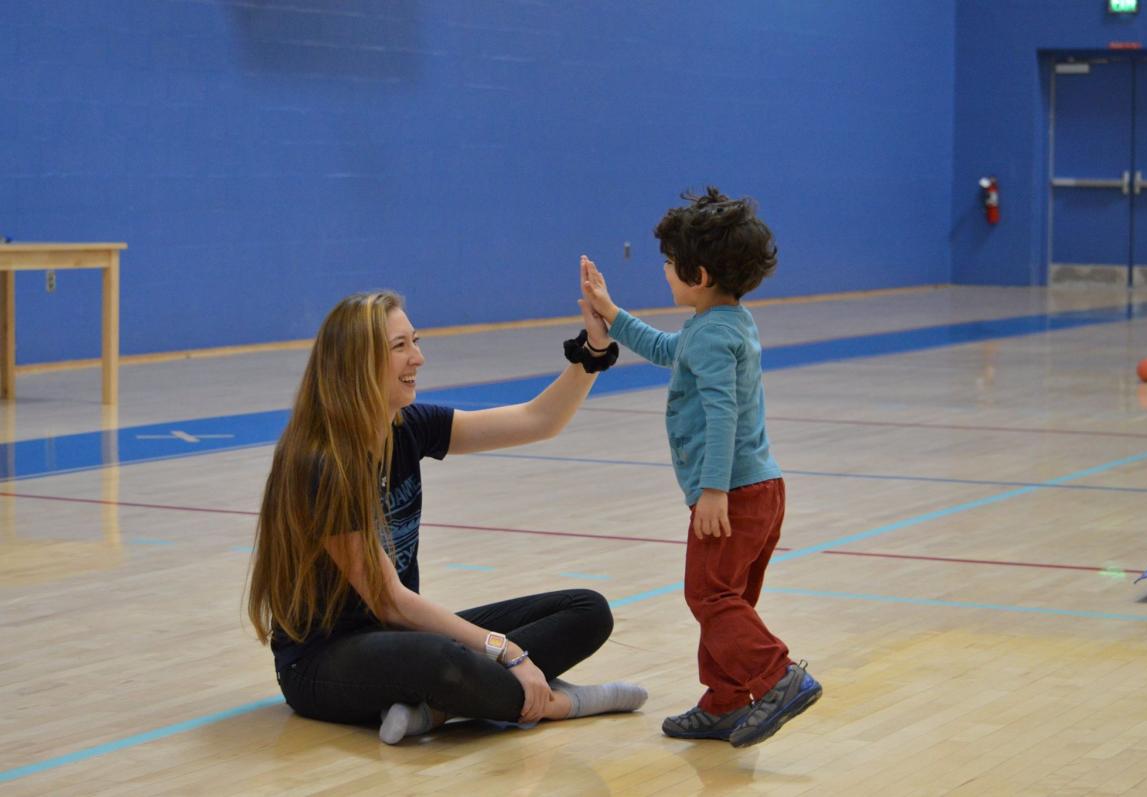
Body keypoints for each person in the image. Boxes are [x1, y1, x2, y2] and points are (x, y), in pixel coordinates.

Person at [247, 258, 646, 744]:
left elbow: (538, 420)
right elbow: (389, 600)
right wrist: (509, 653)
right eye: (400, 346)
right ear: (357, 363)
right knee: (444, 662)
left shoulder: (408, 427)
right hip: (323, 665)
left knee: (588, 609)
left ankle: (433, 714)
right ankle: (564, 703)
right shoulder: (322, 462)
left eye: (415, 341)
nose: (418, 357)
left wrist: (594, 351)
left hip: (399, 640)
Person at [581, 187, 821, 748]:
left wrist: (712, 490)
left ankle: (778, 677)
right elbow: (670, 350)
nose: (665, 272)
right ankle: (725, 701)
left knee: (710, 598)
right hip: (763, 489)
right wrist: (611, 313)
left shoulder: (712, 334)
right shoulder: (726, 322)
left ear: (701, 273)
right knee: (727, 600)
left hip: (732, 492)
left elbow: (723, 416)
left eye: (669, 264)